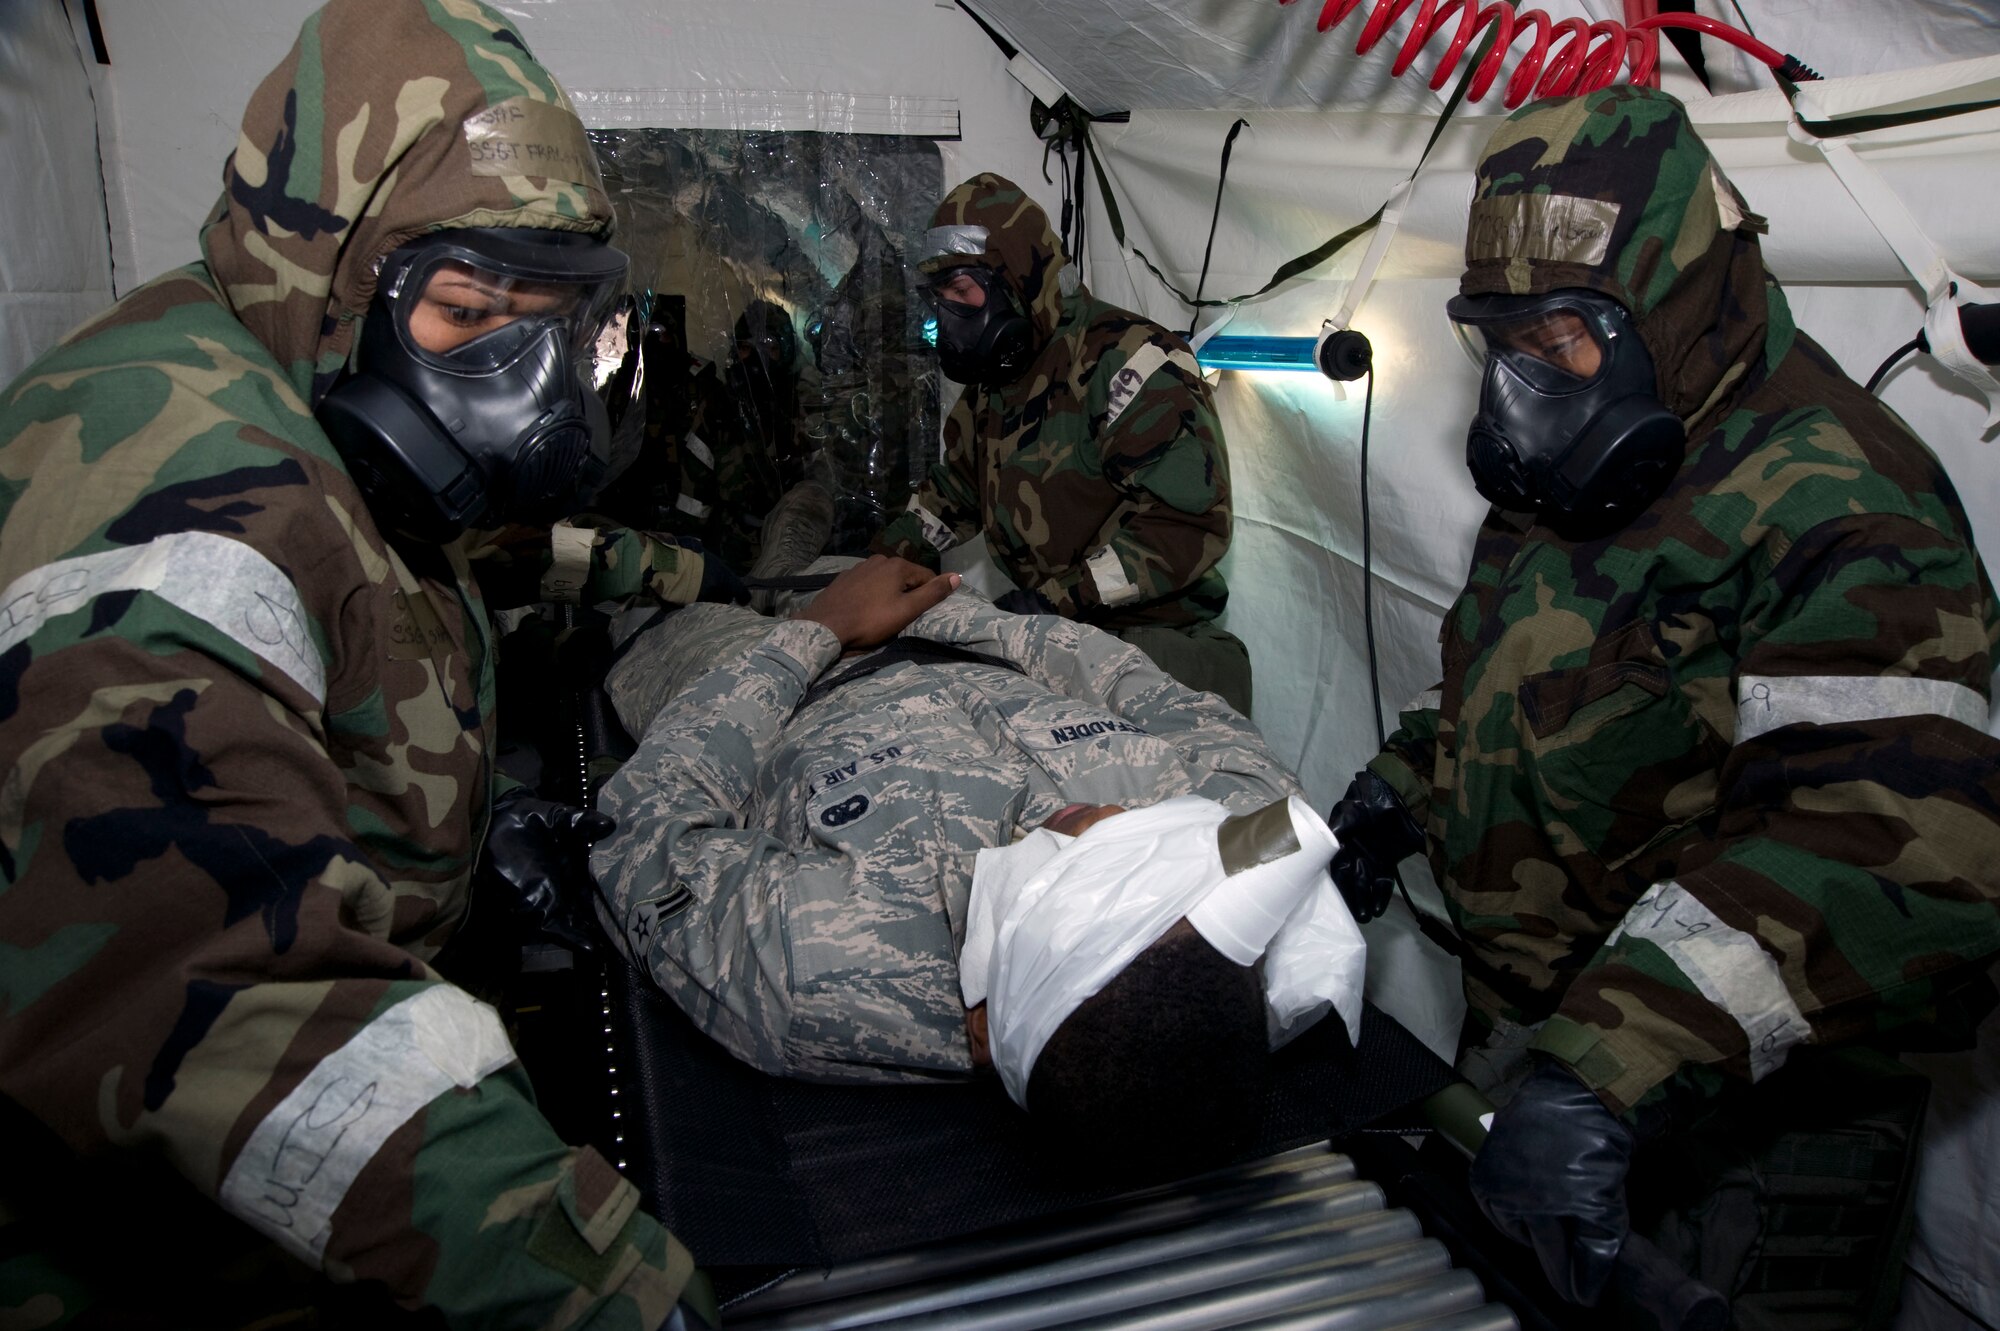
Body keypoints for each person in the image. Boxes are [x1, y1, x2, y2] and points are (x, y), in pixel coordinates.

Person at [0, 1, 717, 1324]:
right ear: (327, 271)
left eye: (550, 320)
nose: (526, 377)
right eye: (468, 309)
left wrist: (449, 848)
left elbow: (425, 583)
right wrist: (604, 1286)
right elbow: (235, 994)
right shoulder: (171, 491)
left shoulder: (310, 403)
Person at [1324, 87, 2000, 1313]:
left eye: (1555, 341)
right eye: (1499, 340)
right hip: (1554, 1045)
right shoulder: (1578, 455)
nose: (1519, 390)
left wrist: (1601, 1070)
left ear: (1676, 301)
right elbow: (1524, 686)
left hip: (1738, 1112)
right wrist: (1398, 787)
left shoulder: (1842, 501)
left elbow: (1897, 847)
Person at [588, 557, 1361, 1156]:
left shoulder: (814, 959)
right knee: (807, 537)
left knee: (669, 591)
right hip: (946, 629)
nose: (1096, 815)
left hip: (751, 682)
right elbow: (1143, 687)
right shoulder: (1230, 841)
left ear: (984, 1026)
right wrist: (959, 615)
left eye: (1063, 857)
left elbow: (650, 825)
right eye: (1138, 832)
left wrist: (816, 630)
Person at [871, 174, 1252, 716]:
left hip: (1158, 651)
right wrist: (883, 563)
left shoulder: (1131, 365)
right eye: (941, 299)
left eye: (962, 293)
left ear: (1018, 280)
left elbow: (1186, 525)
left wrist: (1053, 601)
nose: (950, 319)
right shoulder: (995, 383)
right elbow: (952, 492)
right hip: (1060, 637)